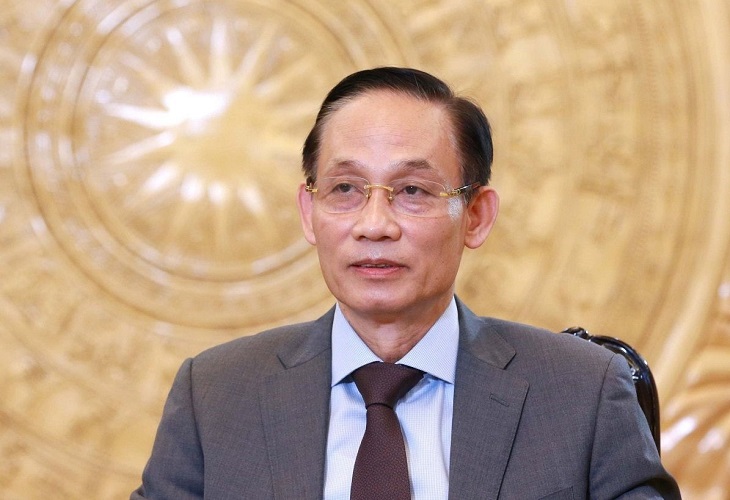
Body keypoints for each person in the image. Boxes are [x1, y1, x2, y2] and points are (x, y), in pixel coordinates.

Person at [131, 67, 681, 499]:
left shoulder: (582, 392)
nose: (374, 225)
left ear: (476, 216)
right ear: (308, 212)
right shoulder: (215, 395)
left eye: (413, 191)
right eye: (345, 189)